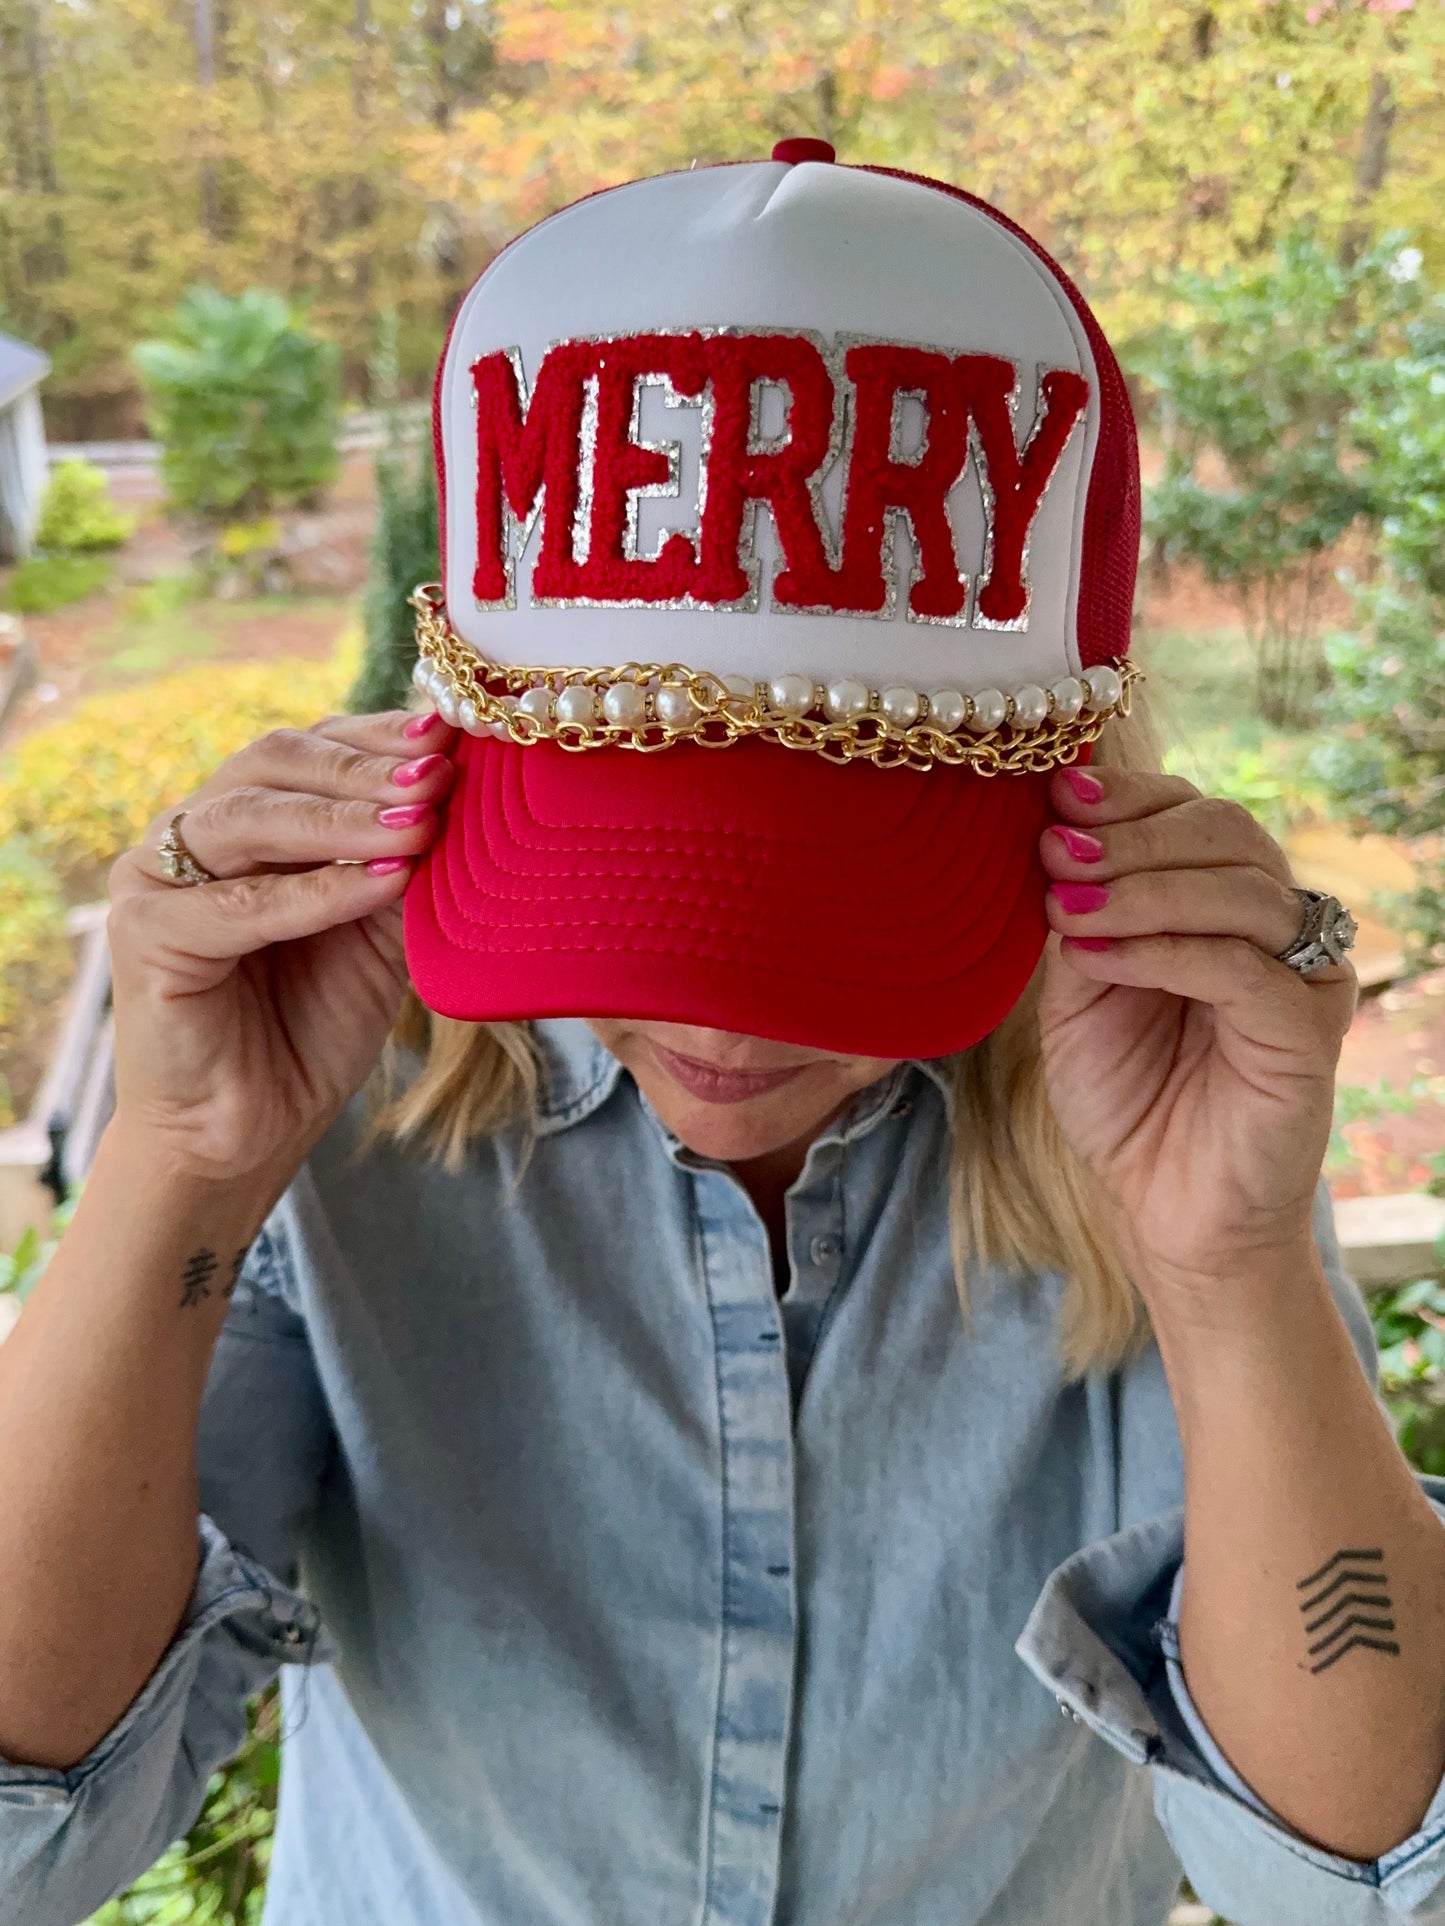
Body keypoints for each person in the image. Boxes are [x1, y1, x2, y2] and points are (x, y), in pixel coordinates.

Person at [2, 145, 1444, 1926]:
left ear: (1064, 780)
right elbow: (23, 1837)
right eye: (622, 875)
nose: (715, 1008)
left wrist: (1226, 1264)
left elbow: (1360, 1877)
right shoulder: (339, 1074)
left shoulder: (1150, 1091)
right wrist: (172, 1163)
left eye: (835, 894)